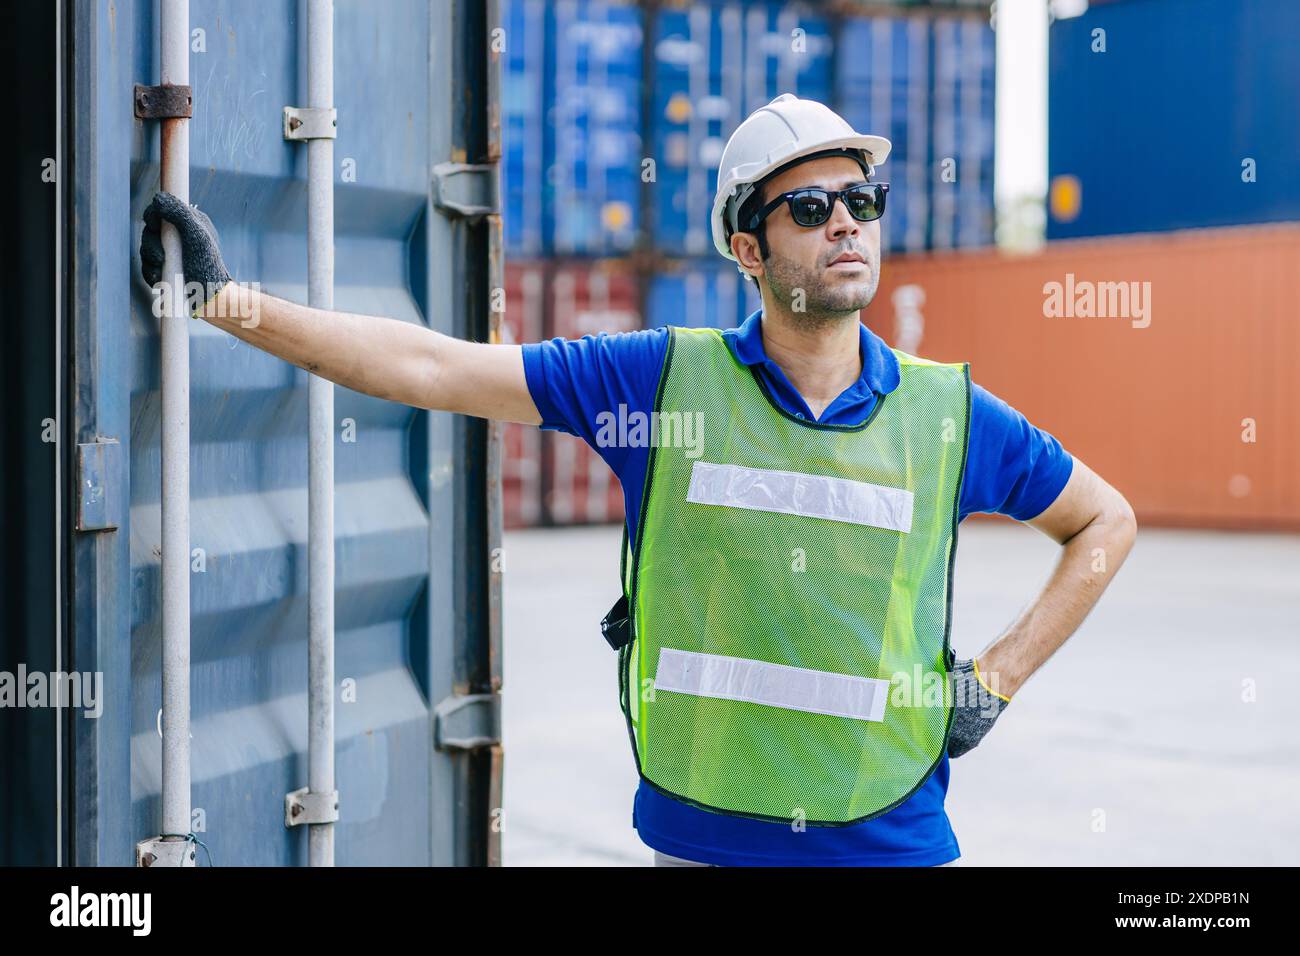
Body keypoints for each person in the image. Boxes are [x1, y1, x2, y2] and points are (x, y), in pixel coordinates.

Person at [139, 93, 1136, 868]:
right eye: (810, 206)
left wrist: (993, 681)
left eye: (861, 202)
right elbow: (435, 365)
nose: (846, 224)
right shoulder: (661, 380)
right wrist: (226, 302)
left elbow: (1105, 521)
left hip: (891, 841)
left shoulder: (948, 415)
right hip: (701, 838)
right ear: (748, 247)